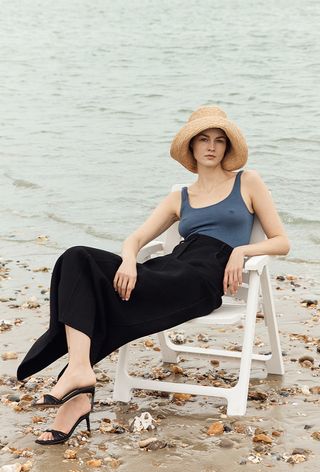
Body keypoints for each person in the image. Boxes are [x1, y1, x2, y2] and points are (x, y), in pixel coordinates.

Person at [17, 106, 290, 445]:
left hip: (203, 278)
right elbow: (135, 239)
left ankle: (77, 390)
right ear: (190, 146)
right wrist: (128, 261)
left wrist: (241, 250)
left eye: (219, 140)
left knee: (102, 299)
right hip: (171, 266)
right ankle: (79, 372)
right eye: (203, 139)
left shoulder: (247, 181)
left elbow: (282, 242)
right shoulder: (181, 196)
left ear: (227, 148)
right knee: (76, 259)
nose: (211, 146)